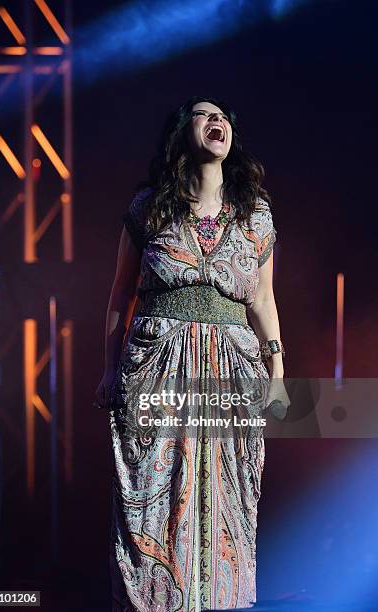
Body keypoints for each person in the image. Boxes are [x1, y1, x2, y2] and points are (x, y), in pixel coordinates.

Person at [94, 95, 290, 611]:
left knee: (227, 500)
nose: (218, 120)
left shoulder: (256, 215)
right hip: (160, 366)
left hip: (230, 369)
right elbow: (119, 296)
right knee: (155, 499)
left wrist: (278, 371)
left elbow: (264, 299)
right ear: (184, 132)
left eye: (224, 115)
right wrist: (109, 369)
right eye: (205, 114)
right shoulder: (150, 206)